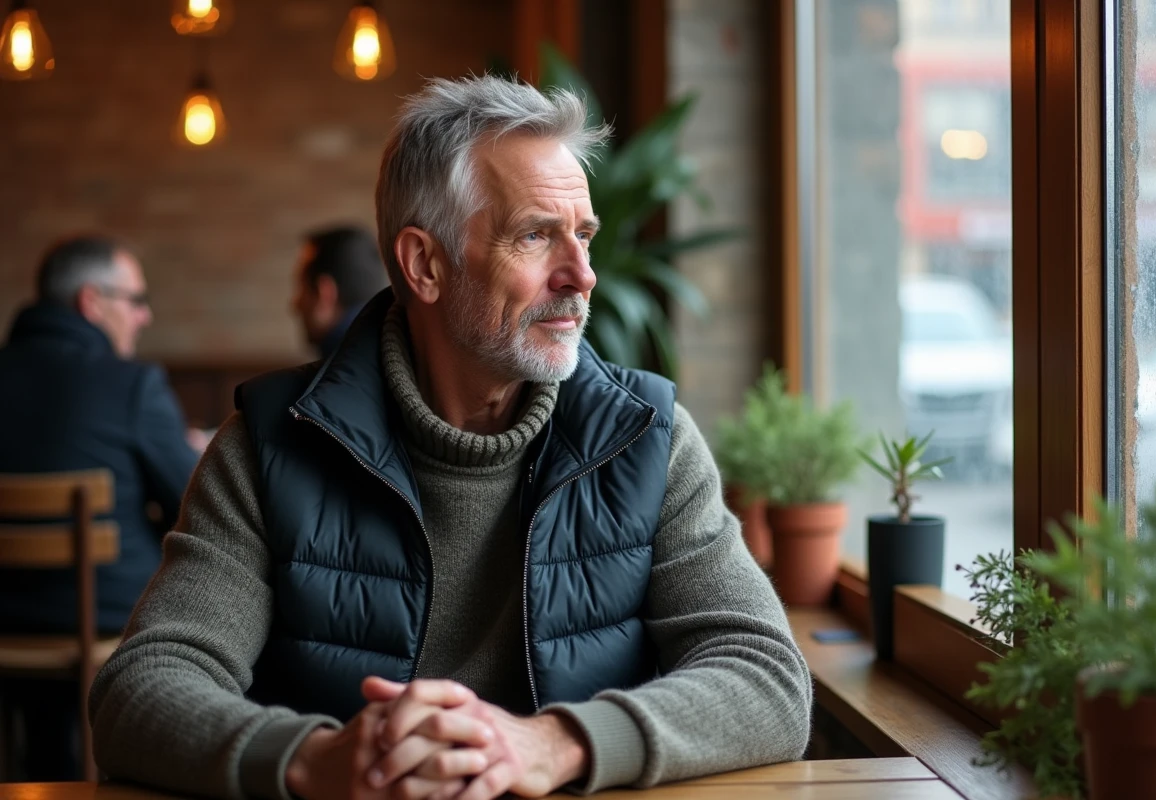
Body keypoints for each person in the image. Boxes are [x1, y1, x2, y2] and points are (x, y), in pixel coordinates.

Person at [90, 76, 812, 800]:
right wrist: (318, 759)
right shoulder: (271, 444)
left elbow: (767, 678)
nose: (583, 275)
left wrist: (554, 745)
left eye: (584, 235)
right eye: (536, 235)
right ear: (425, 265)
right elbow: (140, 689)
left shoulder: (645, 437)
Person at [0, 235, 200, 780]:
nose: (144, 315)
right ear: (92, 301)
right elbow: (194, 500)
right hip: (105, 619)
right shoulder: (132, 384)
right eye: (136, 300)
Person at [290, 225, 388, 359]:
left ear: (325, 294)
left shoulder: (336, 366)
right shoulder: (390, 353)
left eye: (303, 288)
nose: (295, 304)